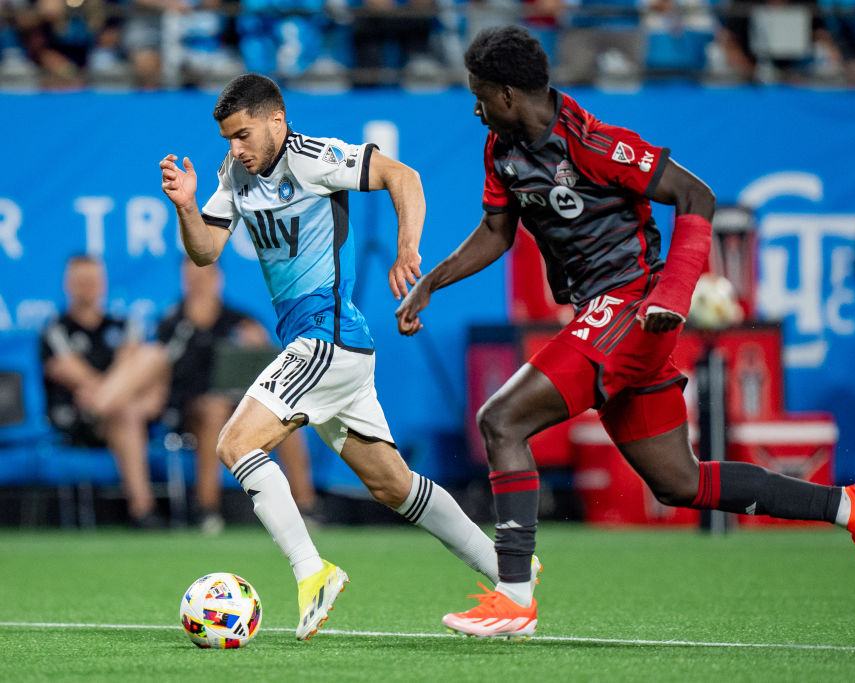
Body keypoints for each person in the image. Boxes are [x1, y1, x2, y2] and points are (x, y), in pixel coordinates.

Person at [395, 25, 855, 640]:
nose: (474, 107)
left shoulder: (594, 143)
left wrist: (673, 294)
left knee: (502, 421)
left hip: (633, 306)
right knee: (678, 482)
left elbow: (697, 196)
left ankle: (513, 597)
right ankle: (849, 505)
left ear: (507, 93)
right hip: (606, 314)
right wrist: (433, 281)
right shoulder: (502, 150)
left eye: (479, 94)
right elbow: (498, 232)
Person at [158, 73, 521, 641]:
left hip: (325, 337)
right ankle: (508, 570)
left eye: (244, 135)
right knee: (393, 486)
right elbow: (205, 252)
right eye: (229, 138)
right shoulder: (236, 173)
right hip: (328, 348)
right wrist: (185, 206)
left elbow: (405, 177)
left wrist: (407, 248)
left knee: (235, 443)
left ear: (277, 121)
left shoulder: (313, 157)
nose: (236, 149)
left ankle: (312, 571)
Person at [156, 258, 320, 534]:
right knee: (214, 411)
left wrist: (258, 345)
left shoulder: (240, 321)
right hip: (190, 413)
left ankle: (306, 506)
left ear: (217, 279)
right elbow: (165, 374)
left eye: (203, 278)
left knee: (287, 417)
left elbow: (271, 369)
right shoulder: (172, 323)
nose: (198, 285)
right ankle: (207, 510)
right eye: (191, 279)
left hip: (242, 408)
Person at [40, 254, 166, 528]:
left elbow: (133, 373)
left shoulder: (123, 325)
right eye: (81, 280)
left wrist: (111, 392)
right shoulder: (56, 330)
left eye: (93, 280)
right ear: (68, 285)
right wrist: (122, 382)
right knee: (139, 376)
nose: (88, 286)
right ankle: (143, 510)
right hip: (80, 421)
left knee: (148, 365)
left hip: (116, 411)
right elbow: (72, 373)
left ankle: (142, 511)